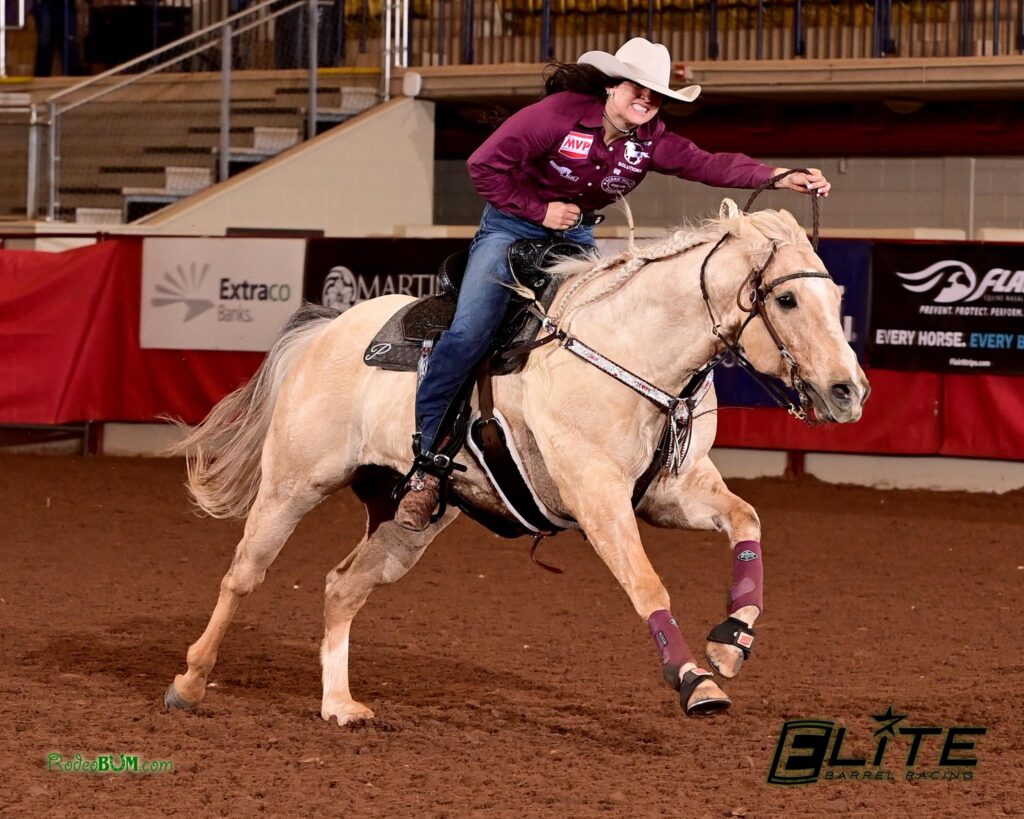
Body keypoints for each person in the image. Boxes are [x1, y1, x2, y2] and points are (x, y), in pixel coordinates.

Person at [393, 37, 831, 531]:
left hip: (577, 234)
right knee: (470, 332)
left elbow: (709, 163)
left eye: (656, 95)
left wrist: (779, 176)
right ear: (612, 86)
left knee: (596, 334)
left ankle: (586, 460)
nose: (645, 100)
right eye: (637, 89)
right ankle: (425, 467)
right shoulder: (556, 115)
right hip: (510, 226)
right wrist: (539, 211)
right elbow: (483, 166)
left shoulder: (651, 139)